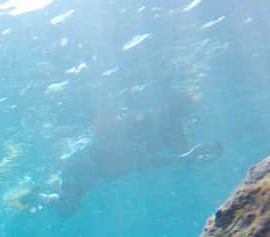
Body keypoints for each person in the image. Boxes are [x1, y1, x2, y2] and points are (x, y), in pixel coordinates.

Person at [39, 89, 223, 217]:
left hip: (101, 170)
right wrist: (189, 158)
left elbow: (177, 157)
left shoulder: (173, 131)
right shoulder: (145, 120)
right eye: (186, 110)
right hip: (86, 164)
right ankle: (39, 196)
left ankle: (45, 192)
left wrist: (196, 158)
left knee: (67, 208)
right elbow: (154, 158)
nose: (186, 116)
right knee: (66, 209)